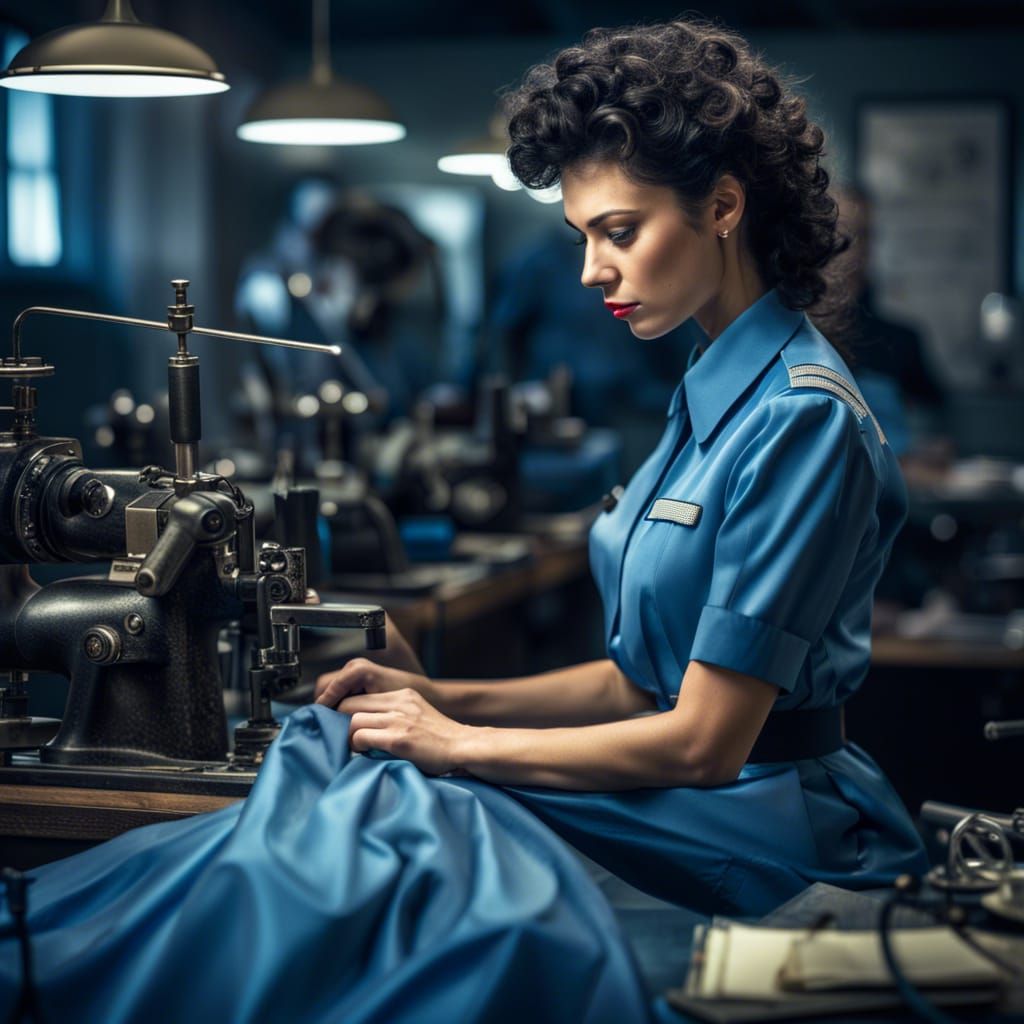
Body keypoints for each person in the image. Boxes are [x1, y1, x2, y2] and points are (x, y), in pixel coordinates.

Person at [314, 17, 928, 913]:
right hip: (699, 802)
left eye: (620, 231)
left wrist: (453, 740)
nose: (592, 271)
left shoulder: (801, 419)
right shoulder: (709, 391)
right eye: (582, 237)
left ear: (722, 208)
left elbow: (701, 741)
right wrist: (440, 697)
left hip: (775, 835)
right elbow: (635, 683)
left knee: (414, 840)